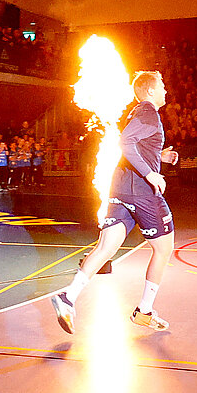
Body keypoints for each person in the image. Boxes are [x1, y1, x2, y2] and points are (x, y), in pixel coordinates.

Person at [51, 71, 179, 333]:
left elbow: (137, 146)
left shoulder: (137, 112)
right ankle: (144, 311)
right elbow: (125, 143)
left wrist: (159, 156)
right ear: (151, 90)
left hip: (120, 189)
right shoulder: (148, 113)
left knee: (106, 248)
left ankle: (67, 299)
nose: (166, 90)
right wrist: (151, 172)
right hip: (141, 192)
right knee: (164, 249)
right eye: (162, 86)